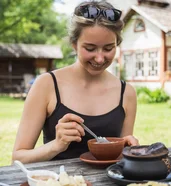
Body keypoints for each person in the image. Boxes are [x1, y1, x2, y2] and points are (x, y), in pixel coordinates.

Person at [12, 0, 139, 164]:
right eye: (90, 48)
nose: (100, 58)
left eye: (108, 48)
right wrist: (56, 145)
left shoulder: (126, 93)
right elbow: (17, 159)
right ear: (74, 45)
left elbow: (121, 162)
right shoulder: (47, 85)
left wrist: (129, 151)